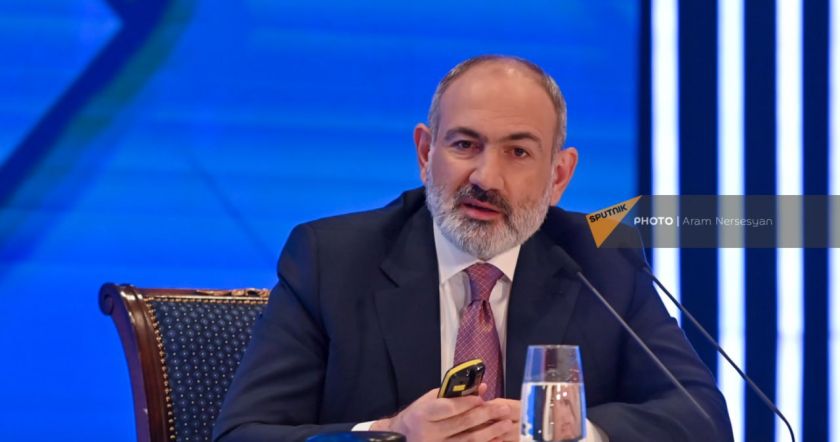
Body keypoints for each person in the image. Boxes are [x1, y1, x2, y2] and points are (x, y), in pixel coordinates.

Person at [212, 55, 734, 442]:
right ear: (425, 152)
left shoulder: (601, 260)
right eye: (465, 145)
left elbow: (702, 418)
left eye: (518, 152)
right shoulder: (331, 259)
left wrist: (569, 431)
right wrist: (391, 434)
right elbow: (243, 433)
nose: (486, 178)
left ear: (559, 176)